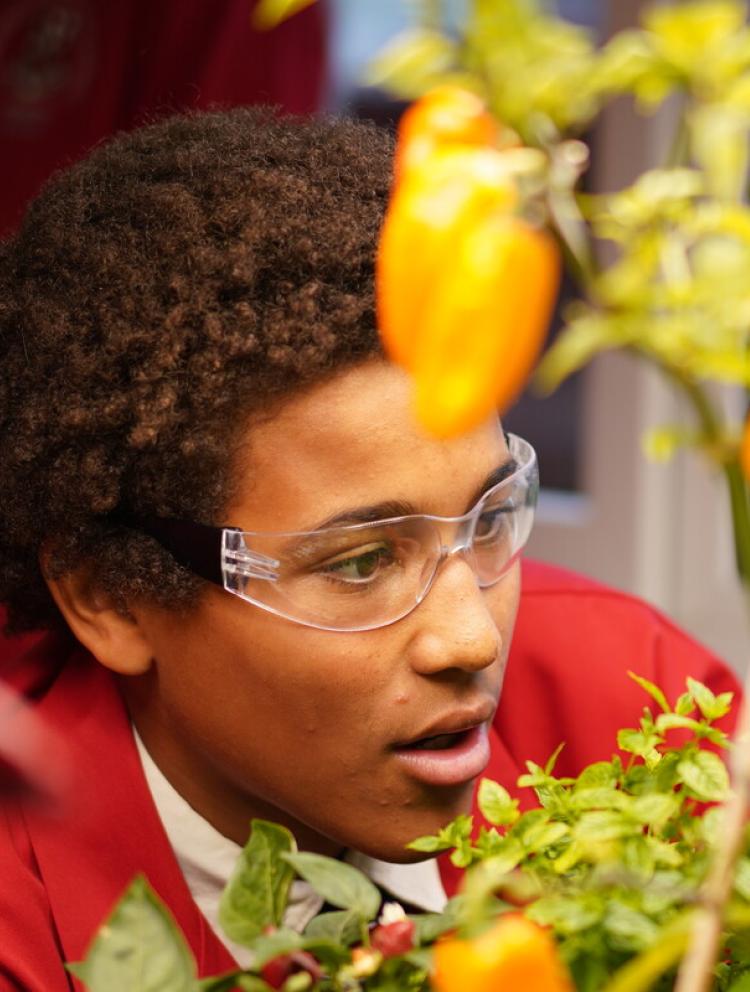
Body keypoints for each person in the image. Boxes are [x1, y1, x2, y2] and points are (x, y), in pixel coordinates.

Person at [0, 107, 738, 990]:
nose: (473, 640)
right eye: (360, 562)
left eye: (491, 518)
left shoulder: (635, 706)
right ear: (108, 598)